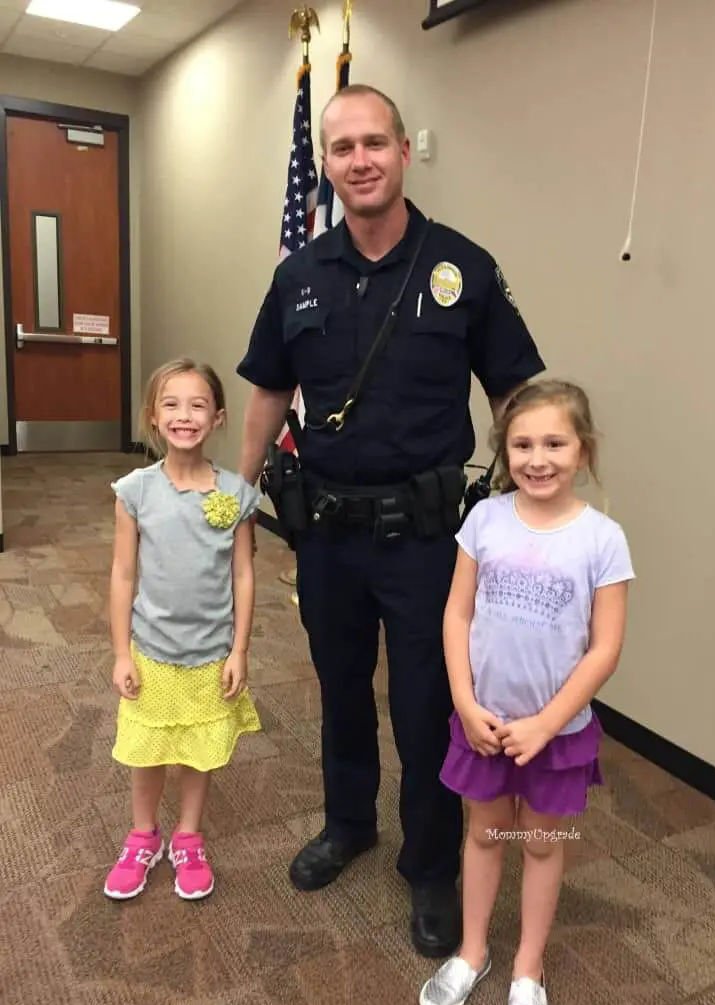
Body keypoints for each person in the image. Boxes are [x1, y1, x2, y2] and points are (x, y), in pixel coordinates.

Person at [235, 83, 546, 958]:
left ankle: (431, 865)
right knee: (340, 691)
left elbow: (515, 386)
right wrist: (237, 493)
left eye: (376, 142)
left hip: (426, 539)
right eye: (342, 148)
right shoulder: (298, 276)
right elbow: (266, 390)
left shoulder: (463, 268)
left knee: (425, 705)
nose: (360, 160)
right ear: (326, 166)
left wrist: (534, 489)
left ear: (405, 152)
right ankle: (348, 824)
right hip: (326, 532)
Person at [418, 379, 635, 1005]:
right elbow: (456, 616)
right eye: (522, 444)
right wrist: (463, 699)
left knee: (541, 843)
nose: (537, 458)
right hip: (483, 720)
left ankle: (527, 968)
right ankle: (473, 950)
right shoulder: (484, 519)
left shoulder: (603, 539)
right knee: (485, 834)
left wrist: (546, 723)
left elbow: (604, 649)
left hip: (556, 734)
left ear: (583, 450)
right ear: (503, 450)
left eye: (554, 443)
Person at [104, 357, 263, 903]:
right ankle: (143, 834)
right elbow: (124, 573)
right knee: (147, 749)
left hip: (210, 654)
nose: (184, 416)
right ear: (153, 416)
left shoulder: (235, 494)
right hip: (151, 650)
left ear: (217, 417)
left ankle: (188, 835)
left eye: (198, 405)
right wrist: (121, 652)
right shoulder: (136, 490)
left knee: (199, 748)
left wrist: (239, 649)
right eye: (171, 404)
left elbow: (243, 574)